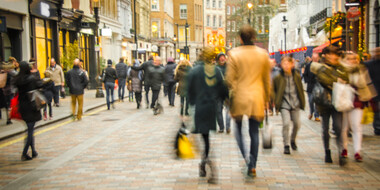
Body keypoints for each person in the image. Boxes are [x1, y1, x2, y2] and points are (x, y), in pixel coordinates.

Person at [226, 25, 271, 177]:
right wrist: (267, 99)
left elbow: (229, 79)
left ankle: (246, 157)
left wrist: (230, 96)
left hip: (240, 97)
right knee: (254, 132)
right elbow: (266, 80)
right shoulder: (263, 54)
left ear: (240, 38)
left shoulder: (233, 54)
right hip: (257, 97)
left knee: (238, 129)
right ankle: (253, 165)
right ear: (254, 37)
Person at [187, 47, 229, 184]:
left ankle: (205, 163)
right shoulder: (215, 70)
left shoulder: (194, 71)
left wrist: (187, 109)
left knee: (201, 138)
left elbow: (189, 92)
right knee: (206, 138)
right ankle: (205, 163)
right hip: (210, 108)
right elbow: (223, 89)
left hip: (198, 108)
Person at [311, 46, 349, 166]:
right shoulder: (321, 67)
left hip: (338, 102)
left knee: (338, 128)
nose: (333, 57)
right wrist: (337, 80)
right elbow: (324, 80)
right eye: (330, 54)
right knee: (325, 129)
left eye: (335, 55)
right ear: (325, 55)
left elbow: (346, 78)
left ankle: (340, 153)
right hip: (324, 102)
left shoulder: (341, 67)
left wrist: (335, 80)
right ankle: (327, 151)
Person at [340, 52, 376, 162]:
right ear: (345, 60)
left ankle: (357, 151)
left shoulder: (361, 70)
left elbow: (367, 84)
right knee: (344, 128)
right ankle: (344, 149)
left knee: (357, 126)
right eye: (349, 59)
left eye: (354, 59)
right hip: (343, 101)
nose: (352, 61)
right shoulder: (341, 70)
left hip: (357, 101)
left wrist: (370, 98)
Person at [273, 56, 305, 154]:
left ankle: (292, 139)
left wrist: (302, 102)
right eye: (284, 64)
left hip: (295, 103)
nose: (286, 66)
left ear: (292, 64)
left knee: (297, 124)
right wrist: (275, 100)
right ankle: (286, 144)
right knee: (286, 123)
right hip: (284, 104)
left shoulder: (296, 76)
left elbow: (300, 89)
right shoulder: (278, 77)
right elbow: (273, 90)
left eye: (287, 64)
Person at [14, 61, 45, 161]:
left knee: (30, 128)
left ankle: (34, 151)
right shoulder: (31, 78)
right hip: (32, 105)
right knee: (30, 130)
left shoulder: (18, 79)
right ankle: (24, 152)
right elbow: (40, 84)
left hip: (22, 106)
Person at [215, 52, 231, 133]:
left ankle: (228, 127)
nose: (222, 58)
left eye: (223, 57)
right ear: (218, 59)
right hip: (218, 92)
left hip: (228, 91)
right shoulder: (215, 68)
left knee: (228, 109)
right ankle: (221, 127)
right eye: (220, 57)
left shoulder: (229, 67)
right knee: (218, 110)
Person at [365, 47, 380, 135]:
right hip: (373, 89)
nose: (378, 53)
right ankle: (377, 128)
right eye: (376, 52)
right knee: (377, 111)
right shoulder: (369, 64)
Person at [303, 54, 320, 121]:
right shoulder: (308, 66)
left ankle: (316, 115)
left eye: (316, 58)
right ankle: (311, 112)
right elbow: (305, 74)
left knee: (317, 101)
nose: (315, 59)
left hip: (318, 86)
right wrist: (307, 81)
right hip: (310, 86)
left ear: (318, 58)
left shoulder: (320, 66)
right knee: (310, 100)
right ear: (312, 58)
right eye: (314, 58)